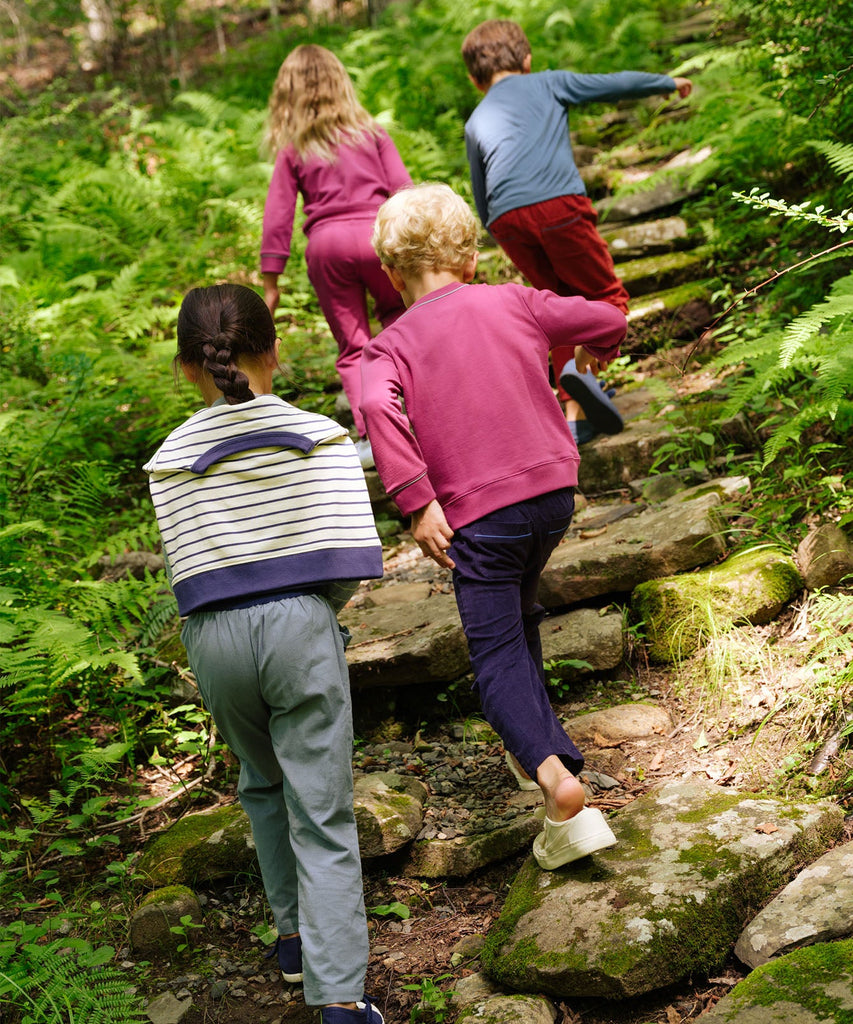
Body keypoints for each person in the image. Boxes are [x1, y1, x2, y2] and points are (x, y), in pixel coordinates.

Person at [361, 183, 624, 870]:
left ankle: (557, 785)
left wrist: (417, 499)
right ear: (470, 256)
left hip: (481, 517)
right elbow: (604, 319)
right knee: (518, 613)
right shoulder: (514, 299)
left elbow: (370, 403)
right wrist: (583, 362)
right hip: (551, 496)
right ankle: (543, 750)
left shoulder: (388, 346)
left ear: (390, 274)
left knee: (495, 654)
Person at [144, 283, 385, 1024]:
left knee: (261, 780)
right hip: (298, 626)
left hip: (213, 639)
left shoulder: (169, 460)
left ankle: (291, 937)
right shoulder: (317, 435)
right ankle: (340, 996)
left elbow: (190, 572)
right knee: (322, 812)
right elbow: (347, 564)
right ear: (274, 348)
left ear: (186, 366)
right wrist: (310, 618)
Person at [461, 19, 692, 444]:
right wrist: (665, 82)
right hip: (558, 206)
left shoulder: (476, 120)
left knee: (559, 310)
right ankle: (583, 368)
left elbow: (479, 191)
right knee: (608, 298)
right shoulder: (549, 83)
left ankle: (574, 414)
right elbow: (612, 84)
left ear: (476, 80)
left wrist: (492, 232)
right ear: (526, 60)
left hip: (507, 221)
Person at [260, 43, 412, 469]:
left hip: (327, 247)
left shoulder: (295, 148)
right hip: (379, 233)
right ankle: (414, 414)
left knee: (353, 345)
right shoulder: (372, 132)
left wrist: (271, 281)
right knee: (400, 322)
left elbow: (277, 215)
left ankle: (371, 437)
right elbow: (405, 190)